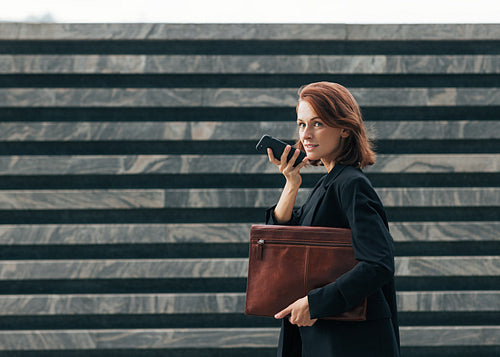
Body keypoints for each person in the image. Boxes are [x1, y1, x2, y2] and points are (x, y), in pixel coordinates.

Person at [266, 82, 400, 356]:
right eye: (302, 124)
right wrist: (291, 184)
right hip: (325, 336)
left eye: (317, 124)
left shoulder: (351, 184)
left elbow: (379, 263)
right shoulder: (329, 184)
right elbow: (282, 246)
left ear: (344, 128)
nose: (306, 134)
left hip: (348, 341)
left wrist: (315, 304)